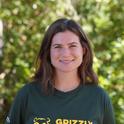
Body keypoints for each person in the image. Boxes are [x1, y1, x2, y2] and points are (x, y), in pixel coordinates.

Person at [5, 18, 115, 124]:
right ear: (48, 52)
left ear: (84, 50)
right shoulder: (27, 95)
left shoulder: (99, 98)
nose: (66, 53)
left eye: (72, 46)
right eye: (58, 46)